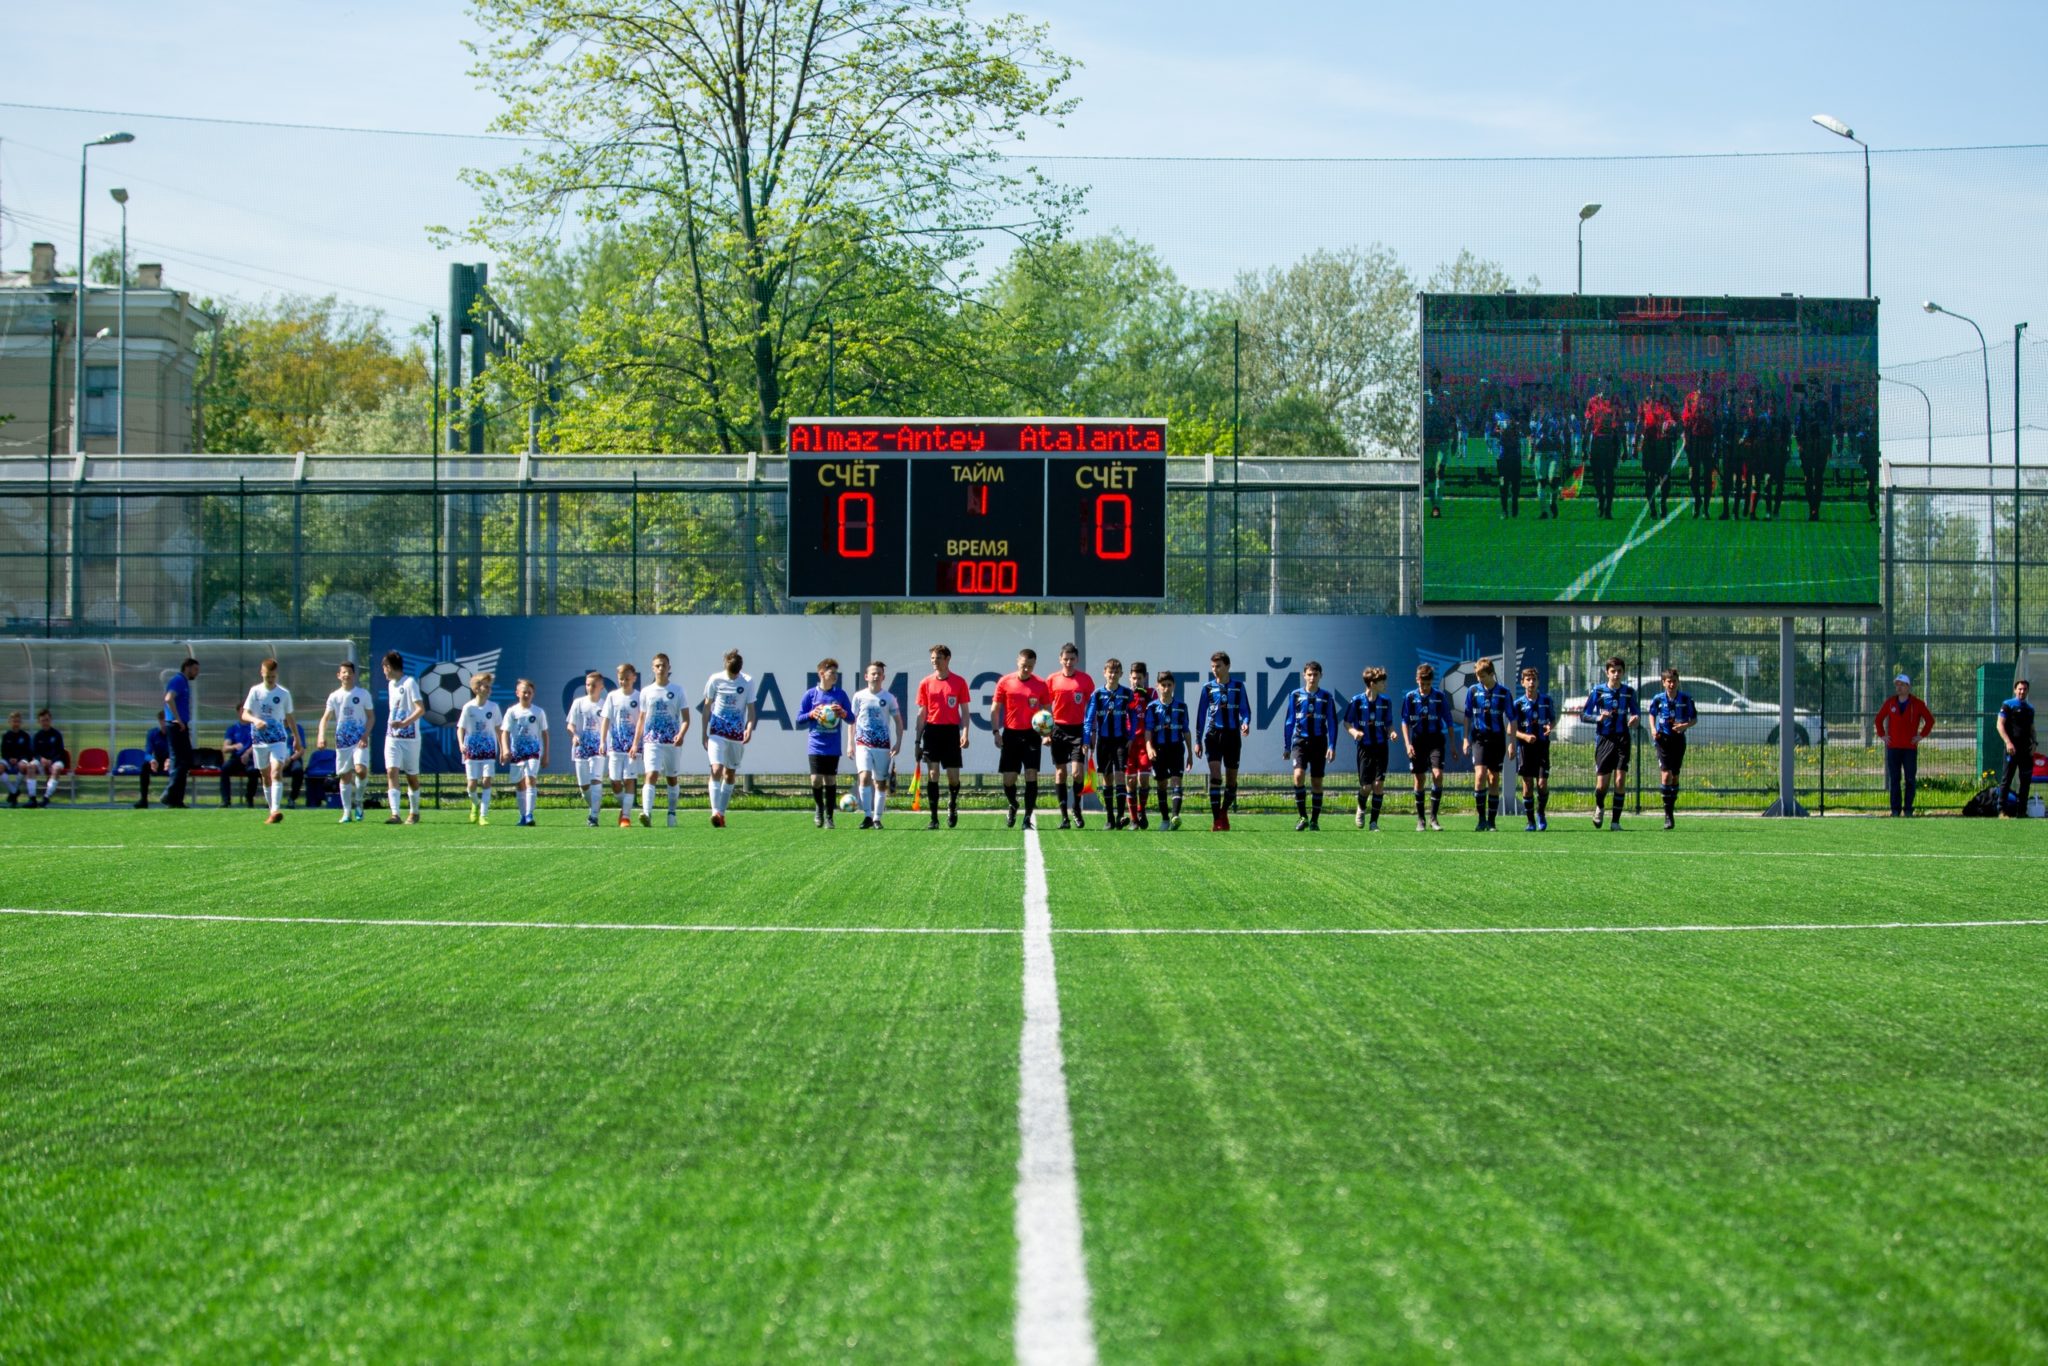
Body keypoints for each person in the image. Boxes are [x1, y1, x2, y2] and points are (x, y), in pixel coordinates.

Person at [992, 648, 1052, 829]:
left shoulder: (1041, 684)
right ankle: (1013, 804)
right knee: (1008, 779)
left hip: (1032, 735)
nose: (1026, 669)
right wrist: (996, 732)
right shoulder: (1005, 682)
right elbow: (995, 709)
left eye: (1030, 667)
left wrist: (1047, 733)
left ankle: (1027, 817)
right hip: (1011, 735)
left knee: (1031, 774)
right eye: (1024, 665)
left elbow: (1047, 711)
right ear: (1018, 662)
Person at [1193, 651, 1252, 831]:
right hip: (1213, 736)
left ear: (1227, 666)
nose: (1215, 670)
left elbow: (1246, 711)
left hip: (1233, 736)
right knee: (1216, 775)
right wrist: (1197, 740)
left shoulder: (1238, 687)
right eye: (1212, 667)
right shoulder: (1208, 688)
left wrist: (1245, 723)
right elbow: (1201, 715)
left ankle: (1223, 812)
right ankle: (1216, 819)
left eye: (1218, 666)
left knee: (1231, 781)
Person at [915, 644, 971, 830]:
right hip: (932, 732)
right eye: (932, 658)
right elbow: (922, 713)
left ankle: (952, 805)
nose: (935, 662)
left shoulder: (959, 682)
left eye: (938, 658)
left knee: (953, 777)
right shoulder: (925, 683)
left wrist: (965, 733)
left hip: (951, 732)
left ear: (947, 659)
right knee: (933, 774)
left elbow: (964, 711)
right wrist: (917, 741)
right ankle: (933, 818)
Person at [1583, 655, 1640, 830]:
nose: (1616, 674)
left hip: (1623, 738)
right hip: (1604, 739)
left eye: (1619, 671)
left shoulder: (1629, 692)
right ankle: (1599, 806)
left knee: (1620, 780)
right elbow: (1584, 714)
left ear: (1623, 673)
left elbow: (1636, 713)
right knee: (1602, 785)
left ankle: (1615, 821)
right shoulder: (1598, 692)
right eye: (1613, 671)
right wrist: (1597, 718)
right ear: (1607, 673)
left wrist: (1635, 719)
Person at [1281, 660, 1339, 831]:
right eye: (1309, 674)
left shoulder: (1326, 697)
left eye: (1315, 674)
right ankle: (1302, 816)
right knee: (1298, 776)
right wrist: (1286, 746)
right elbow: (1289, 721)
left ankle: (1314, 820)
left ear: (1321, 676)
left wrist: (1332, 746)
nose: (1312, 678)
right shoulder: (1295, 695)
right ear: (1304, 675)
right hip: (1300, 741)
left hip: (1319, 742)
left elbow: (1332, 723)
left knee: (1316, 782)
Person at [239, 660, 298, 825]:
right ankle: (271, 809)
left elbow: (290, 717)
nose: (270, 678)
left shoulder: (283, 694)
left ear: (276, 674)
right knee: (265, 777)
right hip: (259, 741)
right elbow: (245, 715)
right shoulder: (255, 692)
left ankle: (275, 810)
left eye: (273, 676)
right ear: (261, 672)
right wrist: (255, 720)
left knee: (276, 772)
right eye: (267, 675)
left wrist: (297, 740)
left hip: (278, 740)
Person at [316, 660, 375, 825]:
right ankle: (347, 812)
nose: (347, 675)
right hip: (342, 742)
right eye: (344, 672)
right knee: (345, 776)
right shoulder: (334, 696)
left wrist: (365, 735)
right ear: (338, 675)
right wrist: (321, 735)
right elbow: (325, 719)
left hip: (360, 741)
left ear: (354, 675)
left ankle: (359, 800)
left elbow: (371, 717)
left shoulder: (363, 694)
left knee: (361, 770)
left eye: (349, 672)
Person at [700, 649, 754, 828]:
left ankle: (721, 814)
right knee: (716, 769)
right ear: (725, 666)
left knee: (730, 774)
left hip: (736, 734)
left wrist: (749, 727)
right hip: (717, 732)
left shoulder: (747, 681)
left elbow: (751, 708)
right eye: (731, 673)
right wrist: (704, 732)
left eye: (736, 673)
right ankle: (715, 811)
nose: (734, 676)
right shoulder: (715, 679)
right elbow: (707, 707)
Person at [638, 652, 692, 828]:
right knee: (651, 774)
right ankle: (647, 813)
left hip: (672, 742)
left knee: (672, 779)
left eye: (664, 665)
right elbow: (641, 718)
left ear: (669, 668)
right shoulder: (646, 692)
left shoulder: (677, 690)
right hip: (652, 741)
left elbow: (686, 719)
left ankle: (671, 814)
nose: (661, 668)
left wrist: (681, 734)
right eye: (657, 666)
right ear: (653, 669)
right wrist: (635, 742)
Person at [797, 659, 853, 829]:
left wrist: (842, 713)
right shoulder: (810, 695)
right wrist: (811, 714)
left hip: (833, 745)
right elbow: (799, 719)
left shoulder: (840, 695)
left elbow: (851, 718)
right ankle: (819, 810)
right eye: (832, 673)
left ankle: (829, 817)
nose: (835, 676)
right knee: (815, 780)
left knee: (830, 779)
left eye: (836, 673)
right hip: (816, 744)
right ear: (822, 674)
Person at [1044, 643, 1095, 830]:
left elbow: (1091, 709)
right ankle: (1064, 816)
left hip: (1078, 730)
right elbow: (1045, 708)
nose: (1068, 662)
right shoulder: (1051, 680)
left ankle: (1076, 808)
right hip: (1057, 730)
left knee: (1077, 772)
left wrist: (1091, 733)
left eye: (1072, 659)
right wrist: (1046, 732)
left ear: (1077, 660)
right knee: (1060, 772)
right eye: (1065, 659)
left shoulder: (1086, 680)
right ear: (1060, 659)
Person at [1084, 657, 1137, 830]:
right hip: (1104, 741)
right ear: (1104, 673)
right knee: (1107, 778)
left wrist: (1130, 737)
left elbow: (1133, 716)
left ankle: (1121, 817)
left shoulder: (1127, 693)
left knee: (1121, 774)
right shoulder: (1098, 694)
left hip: (1121, 741)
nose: (1113, 674)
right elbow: (1089, 718)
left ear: (1121, 674)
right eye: (1110, 671)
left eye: (1116, 672)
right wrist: (1086, 739)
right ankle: (1109, 818)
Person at [1872, 672, 1935, 817]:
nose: (1898, 688)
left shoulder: (1917, 704)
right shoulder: (1890, 702)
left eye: (1901, 685)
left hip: (1909, 748)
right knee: (1894, 778)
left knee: (1910, 779)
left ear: (1908, 686)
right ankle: (1895, 810)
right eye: (1897, 685)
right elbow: (1878, 719)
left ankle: (1908, 809)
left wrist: (1921, 735)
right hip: (1893, 747)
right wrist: (1882, 735)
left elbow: (1930, 720)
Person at [1401, 662, 1454, 832]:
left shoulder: (1439, 697)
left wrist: (1453, 745)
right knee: (1419, 779)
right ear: (1417, 680)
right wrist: (1408, 744)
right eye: (1422, 684)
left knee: (1437, 774)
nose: (1424, 687)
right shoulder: (1410, 697)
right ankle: (1420, 819)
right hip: (1417, 741)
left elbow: (1449, 721)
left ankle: (1434, 818)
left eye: (1428, 684)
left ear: (1432, 682)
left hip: (1436, 740)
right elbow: (1405, 722)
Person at [849, 660, 902, 829]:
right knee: (864, 777)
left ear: (883, 677)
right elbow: (852, 721)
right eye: (873, 673)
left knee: (880, 783)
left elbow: (899, 722)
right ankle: (866, 816)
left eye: (879, 673)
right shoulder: (859, 696)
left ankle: (877, 818)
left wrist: (898, 742)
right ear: (866, 676)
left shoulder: (889, 698)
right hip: (863, 743)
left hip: (882, 745)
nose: (876, 676)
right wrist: (850, 743)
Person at [1462, 659, 1512, 831]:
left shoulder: (1504, 692)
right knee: (1480, 775)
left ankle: (1491, 821)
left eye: (1482, 676)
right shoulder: (1473, 691)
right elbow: (1467, 715)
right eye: (1477, 675)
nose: (1479, 679)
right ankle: (1481, 819)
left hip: (1497, 739)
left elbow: (1512, 718)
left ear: (1491, 674)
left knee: (1493, 778)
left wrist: (1511, 743)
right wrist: (1465, 738)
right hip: (1479, 738)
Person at [1647, 668, 1699, 830]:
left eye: (1674, 681)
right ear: (1663, 683)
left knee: (1675, 776)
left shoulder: (1685, 698)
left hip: (1678, 740)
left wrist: (1684, 725)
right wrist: (1653, 729)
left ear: (1678, 682)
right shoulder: (1658, 699)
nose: (1671, 684)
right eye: (1668, 681)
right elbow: (1651, 714)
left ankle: (1671, 808)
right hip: (1663, 739)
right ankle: (1667, 814)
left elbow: (1694, 719)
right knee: (1666, 774)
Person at [1343, 666, 1393, 831]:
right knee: (1366, 787)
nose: (1384, 684)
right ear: (1372, 684)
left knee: (1378, 785)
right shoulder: (1357, 701)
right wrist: (1354, 732)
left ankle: (1374, 823)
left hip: (1381, 747)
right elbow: (1347, 722)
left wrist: (1392, 733)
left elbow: (1389, 724)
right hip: (1365, 748)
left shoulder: (1386, 702)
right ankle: (1361, 808)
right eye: (1381, 681)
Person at [382, 651, 426, 825]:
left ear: (389, 667)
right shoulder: (391, 685)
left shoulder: (409, 683)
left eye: (384, 668)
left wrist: (404, 723)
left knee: (411, 777)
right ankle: (395, 814)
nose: (384, 672)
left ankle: (414, 812)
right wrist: (396, 726)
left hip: (411, 738)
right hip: (392, 737)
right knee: (391, 771)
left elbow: (420, 709)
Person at [1510, 665, 1555, 832]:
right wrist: (1524, 737)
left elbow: (1553, 719)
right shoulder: (1518, 704)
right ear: (1522, 683)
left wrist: (1550, 727)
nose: (1531, 683)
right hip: (1525, 749)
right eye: (1528, 680)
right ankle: (1530, 822)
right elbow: (1510, 729)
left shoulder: (1546, 701)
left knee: (1542, 783)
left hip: (1543, 746)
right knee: (1528, 783)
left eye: (1534, 679)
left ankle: (1541, 813)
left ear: (1538, 682)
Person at [1144, 670, 1190, 830]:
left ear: (1174, 686)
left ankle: (1175, 816)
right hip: (1159, 749)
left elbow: (1186, 731)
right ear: (1157, 687)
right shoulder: (1151, 707)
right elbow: (1148, 730)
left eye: (1169, 685)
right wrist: (1149, 747)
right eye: (1163, 685)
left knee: (1177, 780)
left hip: (1177, 748)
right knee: (1162, 784)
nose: (1166, 688)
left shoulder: (1181, 707)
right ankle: (1164, 818)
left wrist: (1190, 753)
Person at [500, 678, 549, 827]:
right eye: (524, 692)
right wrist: (506, 749)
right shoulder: (512, 712)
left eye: (529, 692)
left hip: (533, 752)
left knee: (530, 780)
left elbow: (545, 733)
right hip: (517, 752)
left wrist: (546, 753)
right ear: (517, 693)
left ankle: (529, 814)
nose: (526, 695)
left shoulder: (538, 712)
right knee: (519, 784)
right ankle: (522, 815)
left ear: (533, 694)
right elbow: (504, 732)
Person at [599, 663, 642, 828]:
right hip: (615, 746)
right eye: (621, 679)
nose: (624, 682)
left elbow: (641, 722)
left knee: (629, 779)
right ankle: (625, 805)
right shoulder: (612, 696)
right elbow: (606, 719)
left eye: (627, 678)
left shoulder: (639, 697)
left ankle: (626, 816)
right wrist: (603, 741)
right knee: (615, 781)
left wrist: (636, 744)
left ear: (634, 678)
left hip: (632, 747)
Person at [457, 670, 503, 825]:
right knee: (471, 785)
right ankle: (475, 804)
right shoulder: (468, 708)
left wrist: (503, 748)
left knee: (487, 781)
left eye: (490, 686)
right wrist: (461, 744)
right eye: (485, 686)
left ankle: (484, 814)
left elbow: (498, 729)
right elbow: (460, 728)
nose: (489, 689)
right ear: (476, 689)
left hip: (489, 750)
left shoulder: (494, 707)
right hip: (471, 750)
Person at [566, 670, 607, 827]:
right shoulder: (578, 703)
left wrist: (604, 742)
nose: (590, 687)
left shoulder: (604, 705)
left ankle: (593, 816)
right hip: (581, 748)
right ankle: (595, 807)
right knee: (584, 786)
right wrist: (574, 734)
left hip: (598, 748)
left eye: (594, 685)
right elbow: (570, 724)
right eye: (588, 684)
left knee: (596, 780)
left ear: (601, 686)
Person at [161, 657, 198, 808]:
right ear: (187, 667)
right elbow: (169, 699)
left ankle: (176, 800)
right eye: (195, 669)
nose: (196, 673)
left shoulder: (184, 682)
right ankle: (168, 794)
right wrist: (178, 719)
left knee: (183, 762)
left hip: (181, 725)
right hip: (176, 725)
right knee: (181, 761)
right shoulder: (178, 680)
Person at [1123, 662, 1157, 829]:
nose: (1136, 681)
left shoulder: (1151, 693)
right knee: (1130, 780)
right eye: (1134, 678)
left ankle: (1141, 810)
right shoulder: (1126, 694)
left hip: (1145, 743)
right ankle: (1133, 819)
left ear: (1145, 678)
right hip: (1129, 743)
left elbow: (1157, 711)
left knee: (1143, 778)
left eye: (1139, 678)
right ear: (1129, 678)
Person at [1584, 378, 1624, 519]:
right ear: (1599, 386)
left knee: (1609, 476)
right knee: (1597, 476)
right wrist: (1585, 445)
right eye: (1602, 384)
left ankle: (1608, 508)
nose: (1605, 387)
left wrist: (1623, 446)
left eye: (1608, 384)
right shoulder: (1593, 402)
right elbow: (1588, 423)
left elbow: (1620, 424)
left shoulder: (1615, 402)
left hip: (1610, 441)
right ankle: (1600, 498)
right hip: (1597, 441)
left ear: (1611, 386)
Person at [1997, 677, 2036, 818]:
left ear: (2027, 691)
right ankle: (2001, 810)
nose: (2022, 691)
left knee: (2025, 781)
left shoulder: (2030, 709)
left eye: (2024, 689)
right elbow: (1999, 725)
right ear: (2015, 690)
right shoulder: (2008, 705)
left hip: (2026, 750)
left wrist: (2034, 744)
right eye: (2020, 689)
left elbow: (2032, 729)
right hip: (2011, 750)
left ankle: (2022, 811)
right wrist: (2008, 742)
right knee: (2006, 780)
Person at [1797, 385, 1834, 522]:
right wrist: (1800, 442)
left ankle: (1815, 510)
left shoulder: (1823, 407)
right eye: (1811, 389)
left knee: (1818, 479)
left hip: (1820, 447)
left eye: (1816, 389)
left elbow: (1829, 427)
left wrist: (1829, 446)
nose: (1814, 392)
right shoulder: (1804, 406)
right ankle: (1811, 507)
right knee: (1808, 479)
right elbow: (1798, 424)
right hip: (1807, 447)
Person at [1681, 379, 1717, 519]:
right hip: (1694, 439)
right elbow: (1685, 418)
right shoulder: (1690, 397)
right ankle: (1697, 500)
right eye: (1700, 381)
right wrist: (1686, 437)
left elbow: (1716, 417)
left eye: (1705, 381)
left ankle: (1706, 508)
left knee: (1708, 475)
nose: (1702, 384)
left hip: (1707, 439)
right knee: (1693, 475)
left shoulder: (1712, 398)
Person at [27, 709, 68, 807]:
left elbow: (60, 751)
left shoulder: (57, 735)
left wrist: (51, 761)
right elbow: (34, 752)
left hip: (55, 761)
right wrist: (41, 759)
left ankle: (46, 797)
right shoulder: (37, 736)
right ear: (39, 722)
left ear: (50, 720)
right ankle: (32, 799)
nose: (45, 722)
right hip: (41, 761)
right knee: (30, 767)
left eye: (47, 720)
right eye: (42, 720)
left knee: (56, 768)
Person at [221, 717, 259, 807]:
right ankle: (226, 801)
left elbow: (258, 744)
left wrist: (247, 753)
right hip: (236, 758)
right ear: (238, 713)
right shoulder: (233, 729)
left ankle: (249, 798)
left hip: (251, 758)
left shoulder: (255, 728)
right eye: (242, 711)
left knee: (254, 771)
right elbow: (225, 748)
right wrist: (234, 746)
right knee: (225, 768)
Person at [134, 721, 171, 808]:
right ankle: (143, 800)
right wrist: (152, 760)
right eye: (163, 721)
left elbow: (179, 752)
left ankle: (173, 800)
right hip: (157, 763)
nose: (165, 725)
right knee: (144, 767)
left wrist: (170, 760)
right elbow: (147, 753)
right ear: (160, 721)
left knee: (179, 769)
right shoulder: (153, 733)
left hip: (171, 762)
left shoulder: (175, 734)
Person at [1, 712, 33, 805]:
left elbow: (28, 753)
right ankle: (14, 791)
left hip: (21, 759)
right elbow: (4, 752)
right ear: (9, 722)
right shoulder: (6, 736)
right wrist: (10, 758)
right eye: (14, 721)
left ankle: (13, 793)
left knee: (23, 766)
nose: (16, 723)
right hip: (8, 760)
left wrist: (18, 759)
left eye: (18, 721)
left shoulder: (25, 736)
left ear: (20, 723)